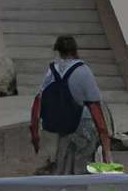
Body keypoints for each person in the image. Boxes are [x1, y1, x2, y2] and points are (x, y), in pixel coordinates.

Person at [30, 33, 114, 174]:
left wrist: (35, 136)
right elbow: (97, 112)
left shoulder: (51, 72)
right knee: (82, 174)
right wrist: (106, 149)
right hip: (83, 131)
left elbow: (37, 104)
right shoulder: (83, 72)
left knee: (63, 173)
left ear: (58, 51)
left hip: (60, 130)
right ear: (75, 50)